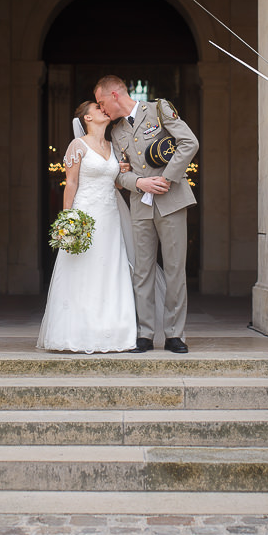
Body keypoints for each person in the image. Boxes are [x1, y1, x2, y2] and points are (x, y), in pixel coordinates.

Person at [95, 75, 198, 354]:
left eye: (102, 102)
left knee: (176, 269)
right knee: (142, 272)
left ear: (115, 95)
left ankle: (175, 334)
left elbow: (189, 143)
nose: (101, 109)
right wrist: (139, 183)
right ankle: (145, 334)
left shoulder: (159, 110)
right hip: (140, 206)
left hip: (171, 200)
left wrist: (167, 177)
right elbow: (119, 175)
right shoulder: (116, 133)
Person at [37, 101, 137, 352]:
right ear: (87, 118)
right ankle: (76, 333)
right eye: (97, 107)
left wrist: (124, 172)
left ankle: (116, 332)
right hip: (84, 214)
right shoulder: (77, 145)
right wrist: (67, 220)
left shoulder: (113, 147)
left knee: (111, 269)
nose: (103, 109)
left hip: (111, 216)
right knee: (82, 271)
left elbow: (117, 185)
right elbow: (70, 183)